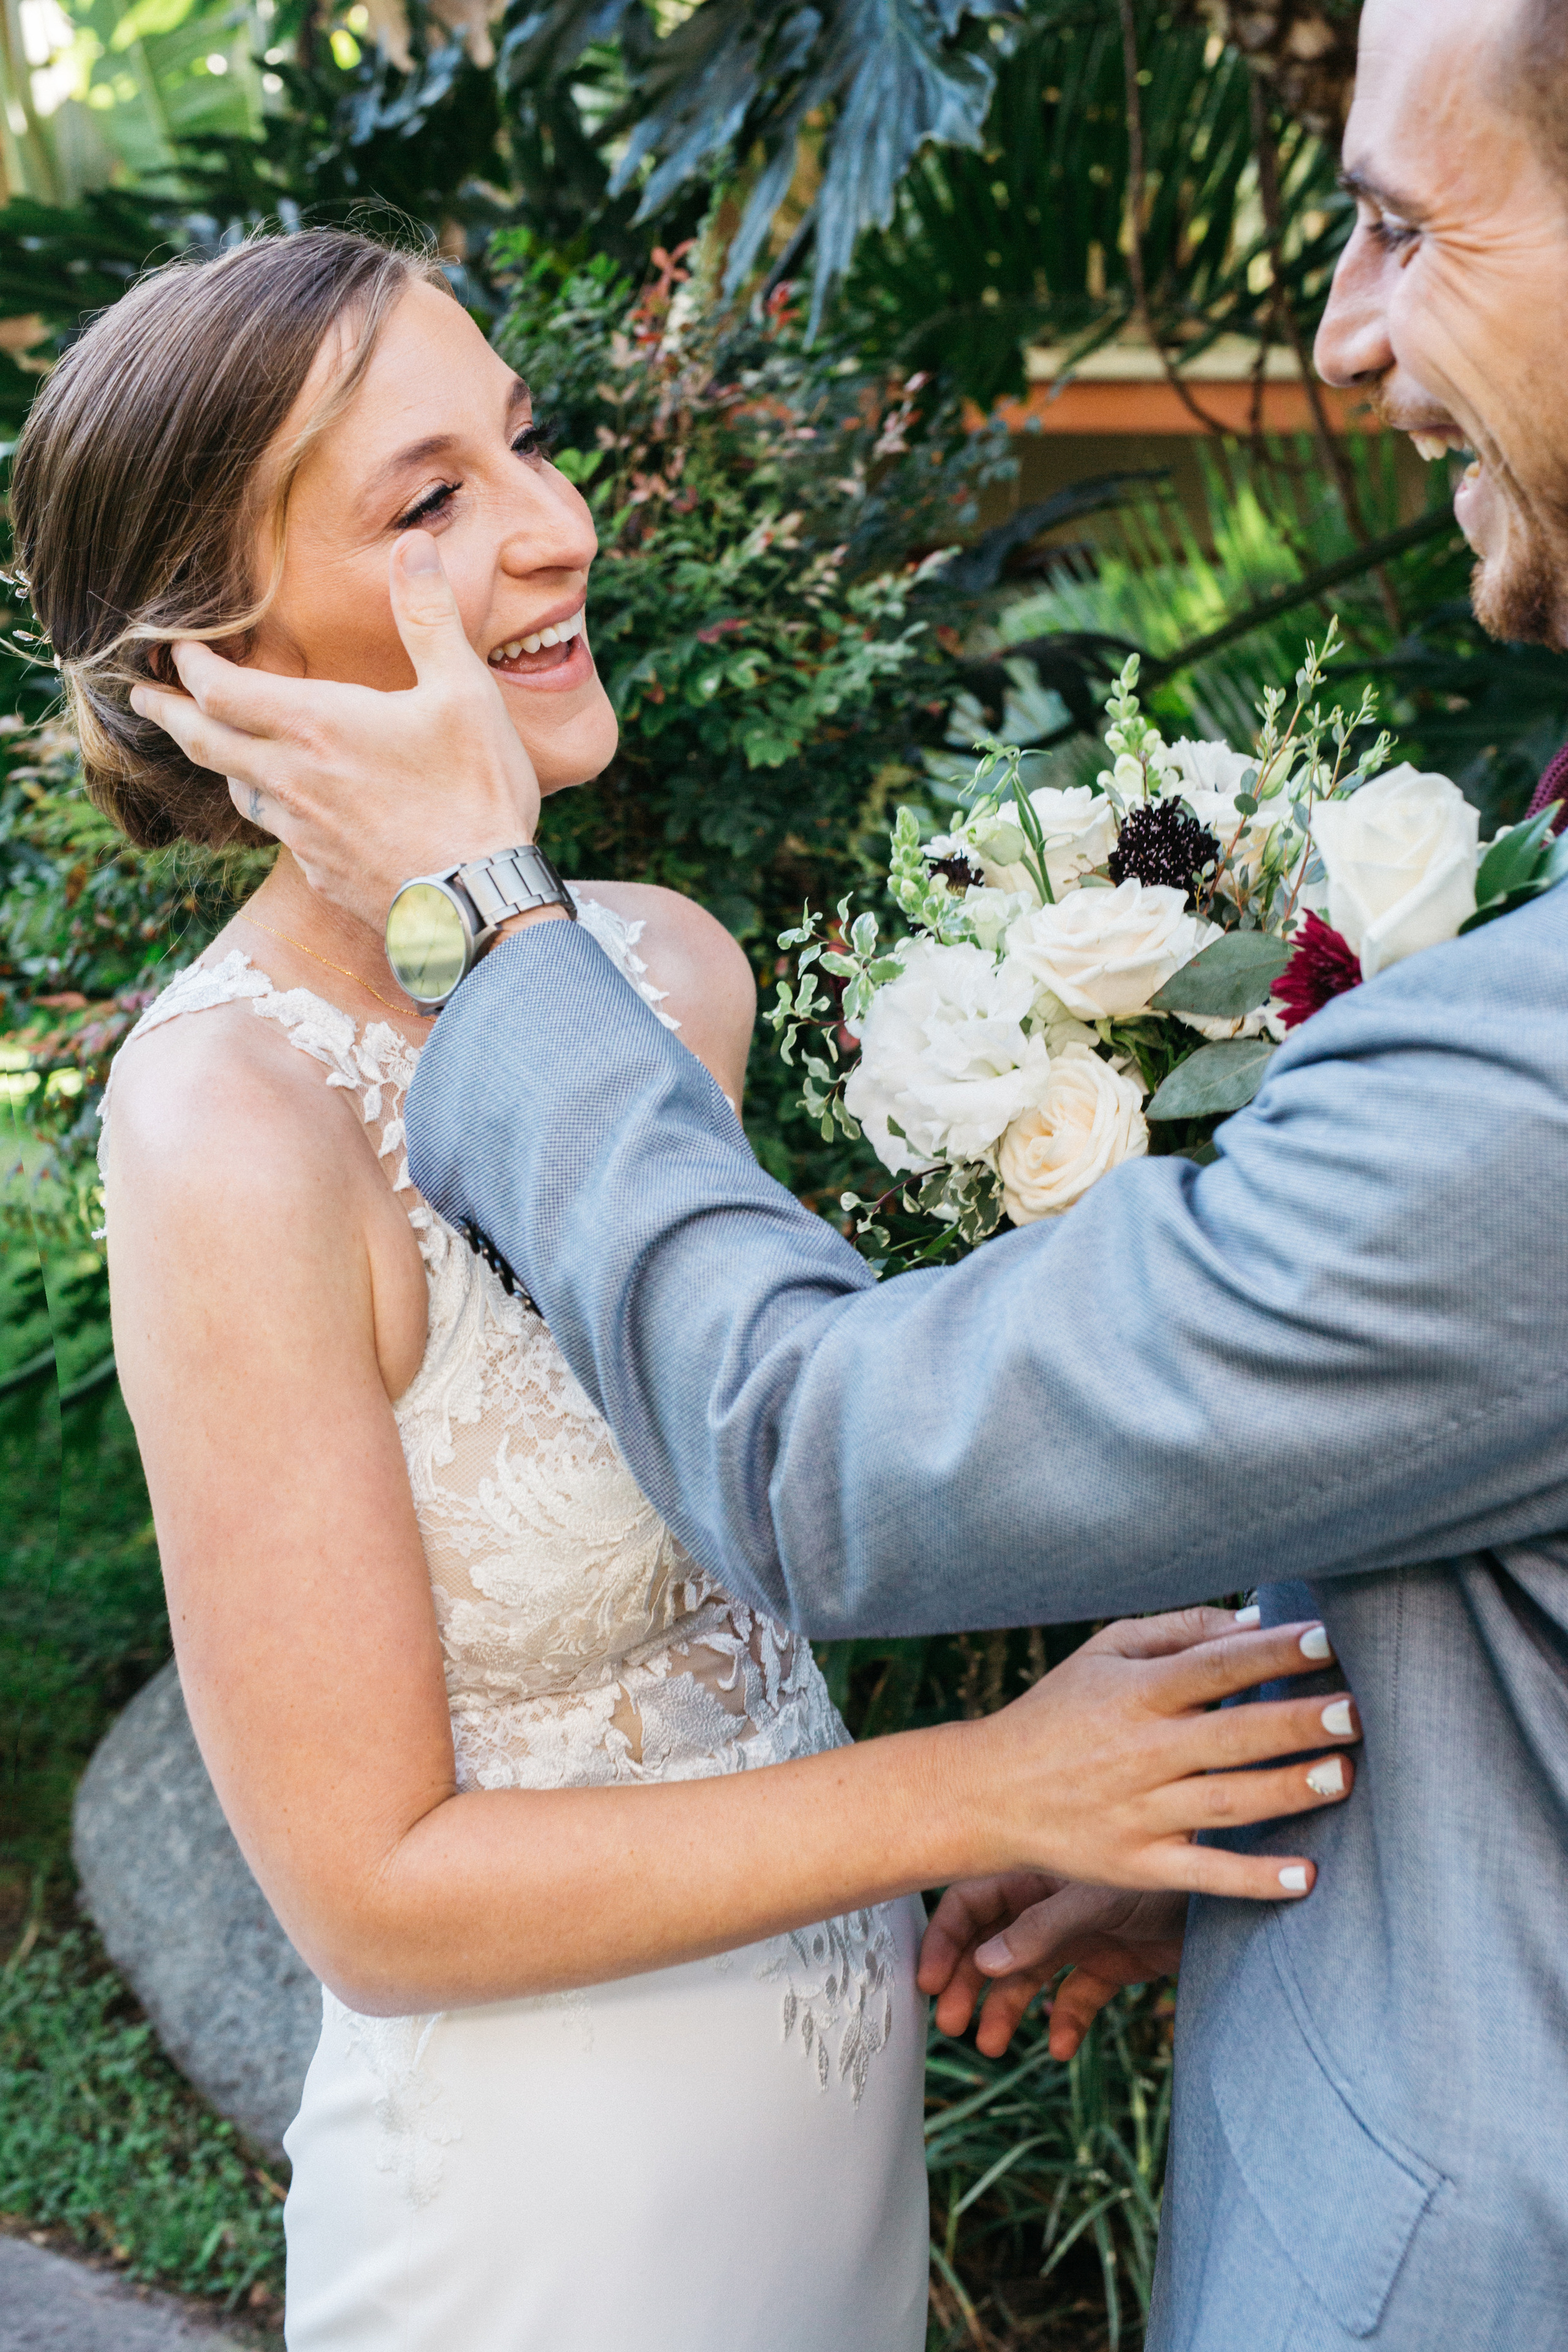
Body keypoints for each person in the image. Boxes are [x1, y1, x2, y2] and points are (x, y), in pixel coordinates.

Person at [122, 2, 1568, 2343]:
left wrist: (1054, 1777)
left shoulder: (655, 977)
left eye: (523, 445)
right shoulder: (223, 1118)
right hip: (551, 2200)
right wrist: (996, 1781)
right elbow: (372, 1890)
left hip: (821, 2107)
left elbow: (818, 1442)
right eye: (427, 501)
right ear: (217, 672)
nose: (557, 522)